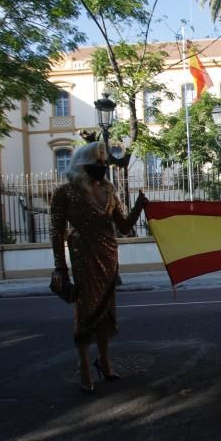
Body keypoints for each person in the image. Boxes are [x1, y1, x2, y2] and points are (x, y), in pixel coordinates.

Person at [50, 141, 147, 394]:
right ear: (83, 165)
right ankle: (84, 368)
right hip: (83, 257)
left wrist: (139, 205)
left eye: (104, 163)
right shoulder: (65, 192)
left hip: (109, 256)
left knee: (106, 312)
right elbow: (56, 231)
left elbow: (124, 227)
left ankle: (104, 361)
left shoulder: (109, 191)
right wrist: (60, 267)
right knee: (85, 313)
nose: (103, 166)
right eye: (98, 163)